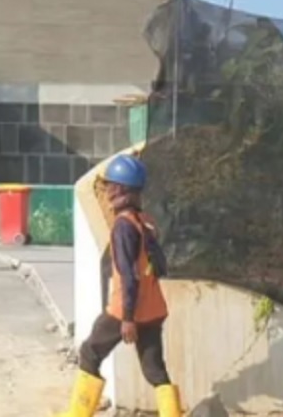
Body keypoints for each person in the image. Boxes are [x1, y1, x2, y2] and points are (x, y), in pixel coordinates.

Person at [57, 154, 182, 417]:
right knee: (154, 370)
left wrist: (127, 318)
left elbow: (128, 276)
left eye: (111, 186)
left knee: (90, 353)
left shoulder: (123, 227)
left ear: (123, 191)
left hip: (125, 310)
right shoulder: (144, 222)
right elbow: (160, 267)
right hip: (153, 310)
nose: (107, 192)